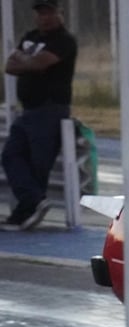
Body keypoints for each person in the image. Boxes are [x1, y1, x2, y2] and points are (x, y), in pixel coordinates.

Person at [2, 0, 78, 230]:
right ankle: (34, 201)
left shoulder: (64, 40)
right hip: (29, 110)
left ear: (59, 13)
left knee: (38, 163)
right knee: (11, 155)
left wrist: (26, 61)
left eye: (49, 12)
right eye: (41, 12)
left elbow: (39, 64)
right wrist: (29, 62)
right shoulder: (31, 35)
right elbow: (9, 66)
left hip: (51, 109)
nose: (45, 17)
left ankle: (25, 211)